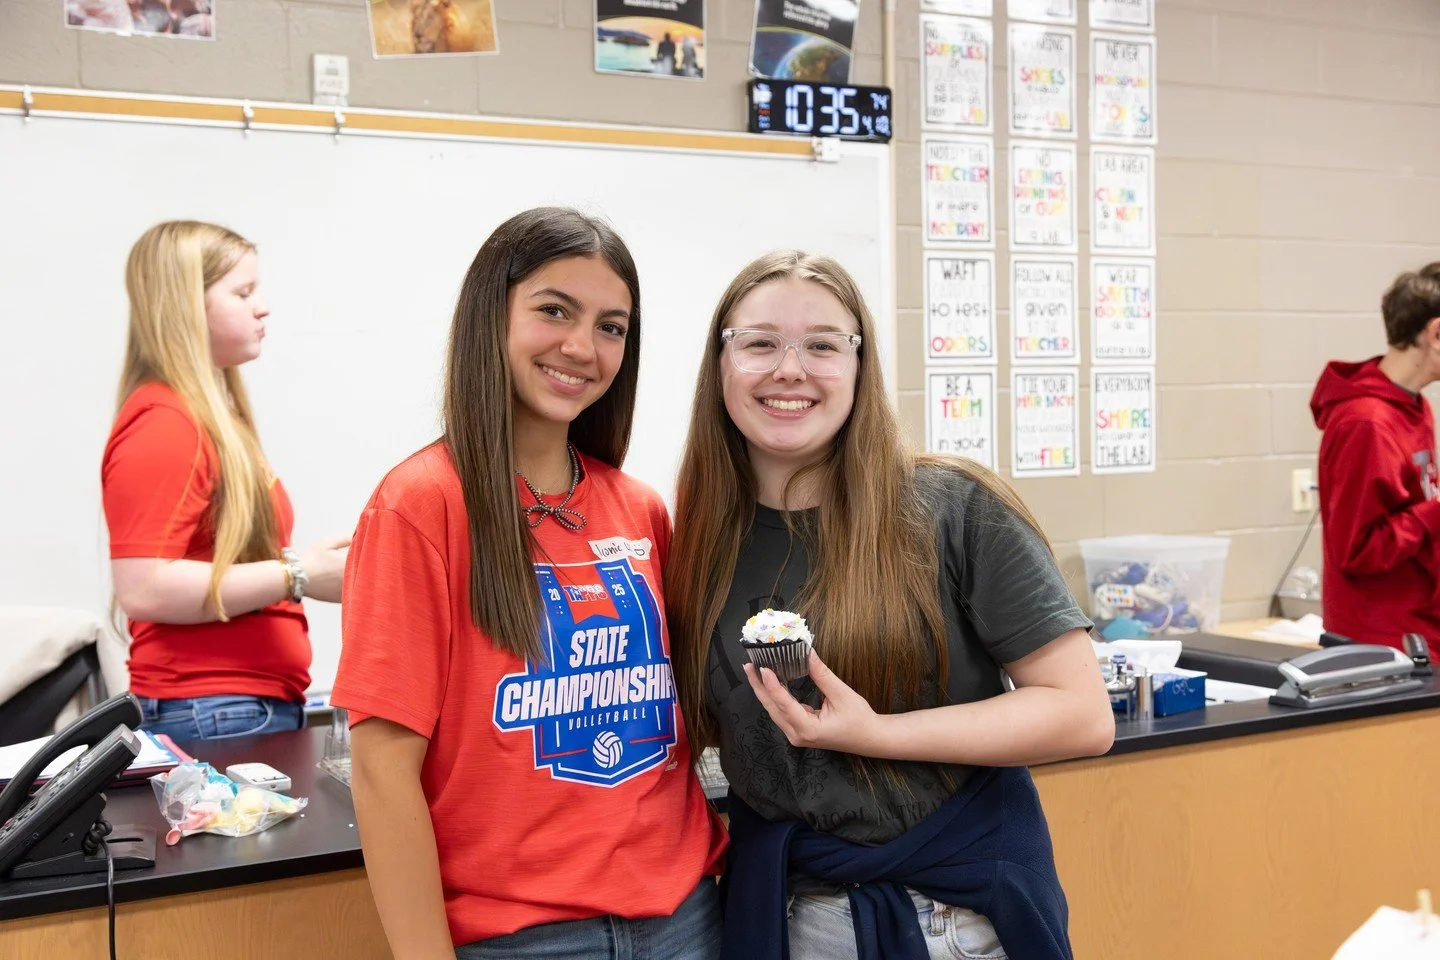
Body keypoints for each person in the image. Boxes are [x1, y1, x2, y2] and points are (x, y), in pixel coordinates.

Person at [665, 251, 1115, 960]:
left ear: (860, 364)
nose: (790, 369)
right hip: (776, 915)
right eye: (759, 343)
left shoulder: (955, 508)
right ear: (721, 364)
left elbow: (1082, 715)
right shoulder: (695, 538)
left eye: (822, 345)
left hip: (946, 923)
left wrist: (874, 734)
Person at [331, 207, 727, 960]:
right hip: (522, 940)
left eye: (611, 327)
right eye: (554, 311)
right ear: (493, 315)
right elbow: (382, 771)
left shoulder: (640, 508)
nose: (582, 347)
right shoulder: (420, 504)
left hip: (685, 922)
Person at [102, 220, 349, 741]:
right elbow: (144, 587)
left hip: (233, 707)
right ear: (185, 306)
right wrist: (298, 573)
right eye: (242, 292)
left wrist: (305, 570)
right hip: (214, 709)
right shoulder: (166, 424)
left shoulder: (207, 419)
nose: (263, 307)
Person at [1311, 263, 1440, 659]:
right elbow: (1359, 550)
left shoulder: (1415, 406)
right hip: (1385, 646)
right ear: (1436, 334)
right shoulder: (1366, 423)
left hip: (1420, 628)